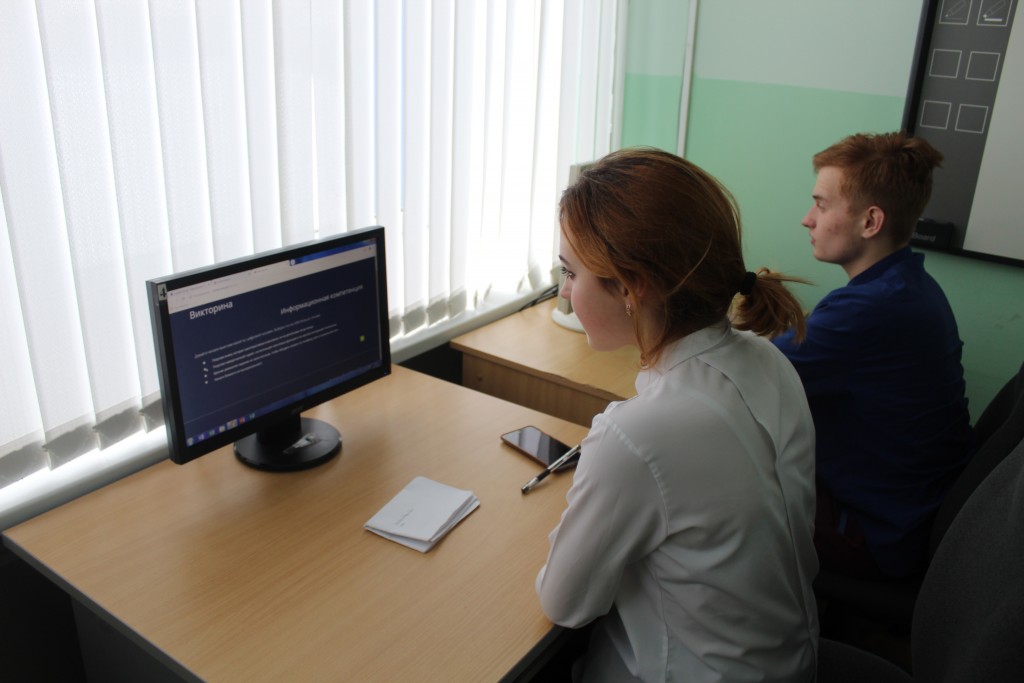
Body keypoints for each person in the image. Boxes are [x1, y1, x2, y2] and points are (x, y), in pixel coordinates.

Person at [535, 147, 819, 683]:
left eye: (571, 272)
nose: (565, 291)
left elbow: (564, 603)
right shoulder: (769, 360)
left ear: (631, 286)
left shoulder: (635, 436)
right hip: (792, 662)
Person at [772, 131, 973, 580]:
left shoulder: (869, 309)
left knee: (716, 488)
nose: (807, 219)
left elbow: (744, 375)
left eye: (821, 204)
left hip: (879, 531)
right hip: (918, 508)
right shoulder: (908, 284)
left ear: (870, 221)